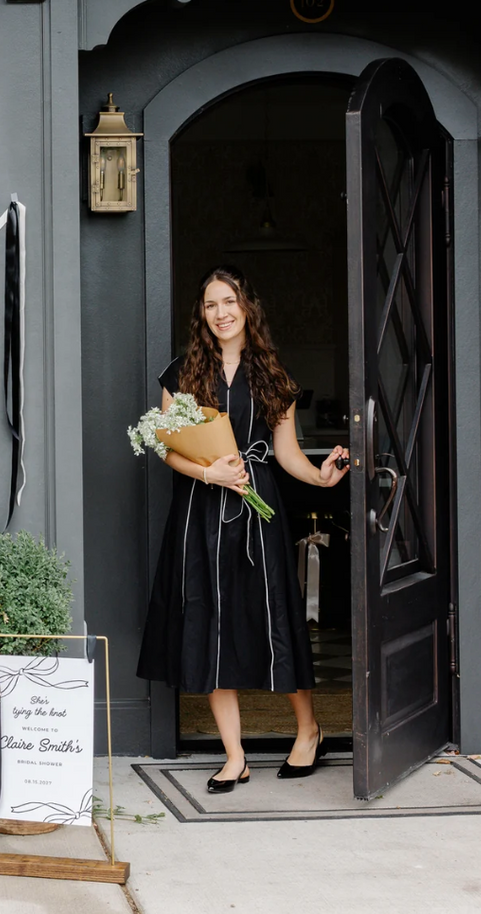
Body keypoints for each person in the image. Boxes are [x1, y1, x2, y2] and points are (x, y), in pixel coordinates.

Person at [136, 266, 350, 792]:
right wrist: (208, 471)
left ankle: (308, 730)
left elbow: (286, 454)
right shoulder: (182, 372)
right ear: (202, 315)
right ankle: (235, 756)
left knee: (275, 620)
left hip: (256, 511)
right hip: (200, 512)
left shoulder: (273, 375)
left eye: (228, 301)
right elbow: (165, 444)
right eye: (211, 305)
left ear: (246, 306)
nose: (221, 312)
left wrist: (321, 479)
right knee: (208, 626)